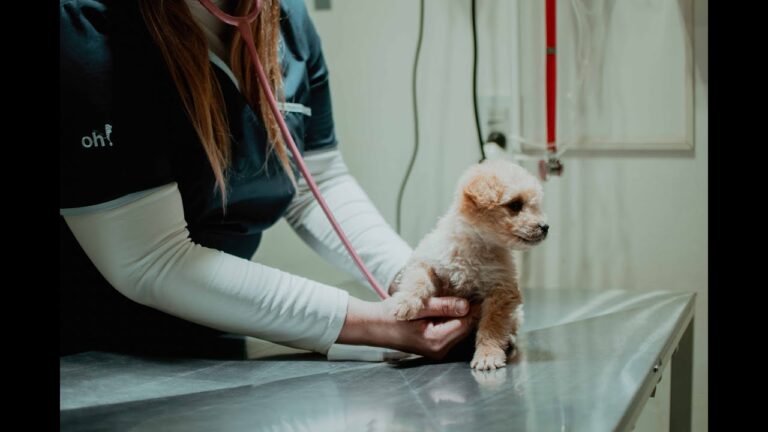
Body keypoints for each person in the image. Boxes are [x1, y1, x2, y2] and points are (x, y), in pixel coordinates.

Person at [59, 0, 478, 359]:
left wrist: (420, 283)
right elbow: (150, 260)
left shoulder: (284, 17)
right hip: (95, 356)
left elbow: (316, 184)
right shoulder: (86, 25)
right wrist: (369, 323)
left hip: (215, 337)